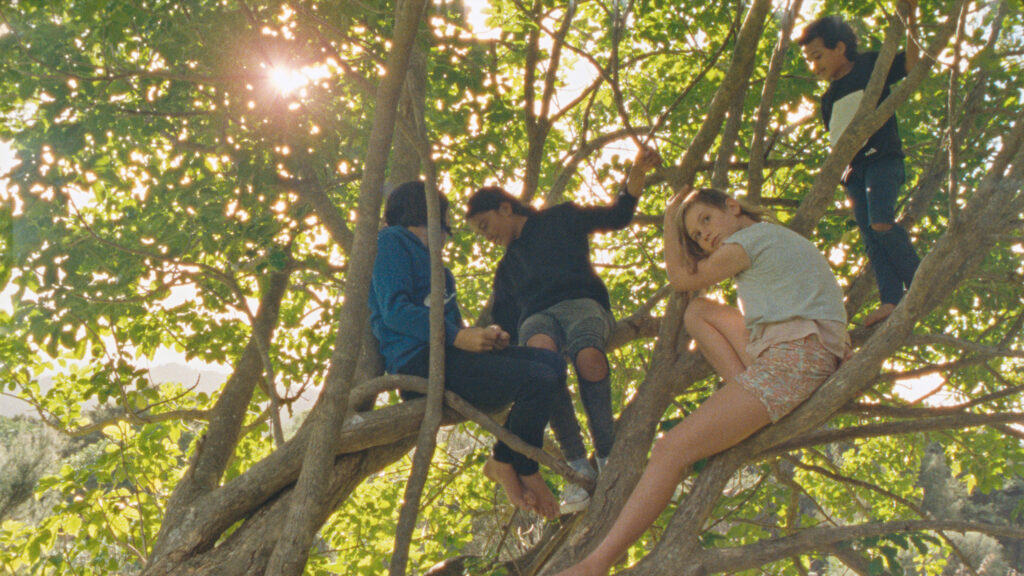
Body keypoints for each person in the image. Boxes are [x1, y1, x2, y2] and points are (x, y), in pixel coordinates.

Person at [555, 187, 849, 575]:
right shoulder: (773, 238)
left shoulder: (749, 239)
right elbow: (692, 293)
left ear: (733, 206)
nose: (704, 236)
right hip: (789, 346)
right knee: (699, 313)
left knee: (669, 450)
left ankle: (597, 563)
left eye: (706, 221)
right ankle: (742, 397)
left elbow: (681, 278)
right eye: (695, 235)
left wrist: (668, 221)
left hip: (795, 356)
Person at [466, 148, 661, 514]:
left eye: (485, 226)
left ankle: (607, 452)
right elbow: (505, 326)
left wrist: (636, 173)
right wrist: (490, 340)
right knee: (542, 360)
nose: (485, 236)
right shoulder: (506, 270)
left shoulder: (562, 217)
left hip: (583, 304)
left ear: (505, 208)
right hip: (537, 319)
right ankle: (576, 464)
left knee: (589, 355)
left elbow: (618, 215)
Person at [369, 180, 570, 519]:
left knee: (551, 364)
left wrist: (484, 338)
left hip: (451, 359)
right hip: (420, 364)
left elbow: (452, 332)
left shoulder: (441, 272)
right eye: (445, 220)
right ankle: (520, 464)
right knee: (538, 375)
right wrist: (458, 337)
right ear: (428, 213)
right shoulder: (392, 241)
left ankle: (503, 461)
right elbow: (395, 310)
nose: (448, 233)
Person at [798, 6, 921, 326]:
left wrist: (910, 21)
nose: (814, 66)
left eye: (817, 55)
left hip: (882, 160)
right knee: (870, 237)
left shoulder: (869, 65)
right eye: (809, 60)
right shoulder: (828, 98)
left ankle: (920, 280)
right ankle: (891, 300)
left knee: (881, 222)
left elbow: (911, 64)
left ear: (839, 47)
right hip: (853, 173)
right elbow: (837, 140)